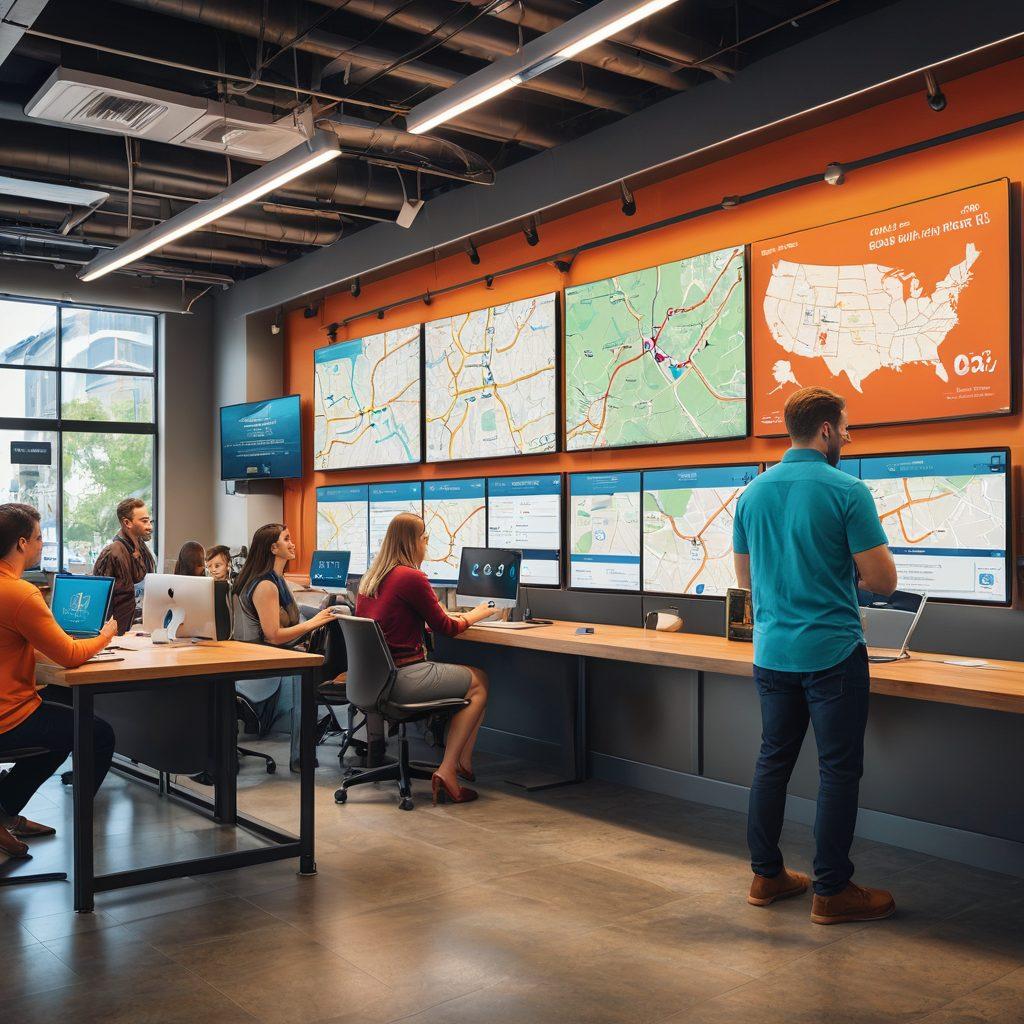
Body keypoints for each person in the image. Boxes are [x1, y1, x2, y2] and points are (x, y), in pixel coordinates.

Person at [733, 386, 898, 926]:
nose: (848, 437)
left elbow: (745, 582)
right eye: (846, 428)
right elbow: (883, 580)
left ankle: (766, 876)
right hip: (831, 653)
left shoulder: (752, 494)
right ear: (826, 429)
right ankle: (830, 891)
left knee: (772, 761)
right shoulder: (847, 491)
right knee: (837, 771)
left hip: (773, 653)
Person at [0, 503, 117, 859]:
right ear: (21, 543)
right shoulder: (20, 593)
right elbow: (68, 655)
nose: (40, 544)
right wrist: (107, 633)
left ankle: (6, 808)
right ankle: (79, 834)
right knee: (98, 734)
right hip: (8, 717)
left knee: (64, 706)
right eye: (38, 538)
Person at [355, 513, 495, 805]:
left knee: (472, 680)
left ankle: (460, 764)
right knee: (479, 681)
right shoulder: (411, 577)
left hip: (374, 681)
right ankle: (449, 769)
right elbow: (448, 628)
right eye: (424, 539)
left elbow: (399, 620)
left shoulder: (371, 577)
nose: (426, 544)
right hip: (403, 678)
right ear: (414, 541)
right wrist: (479, 613)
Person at [231, 524, 337, 772]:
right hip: (261, 662)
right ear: (273, 548)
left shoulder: (278, 580)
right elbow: (274, 636)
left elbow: (290, 617)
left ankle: (310, 738)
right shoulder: (265, 585)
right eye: (287, 539)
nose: (293, 544)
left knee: (310, 658)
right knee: (307, 672)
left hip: (267, 654)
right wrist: (314, 623)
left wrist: (318, 615)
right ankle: (301, 757)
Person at [93, 497, 156, 634]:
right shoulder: (112, 553)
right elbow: (100, 601)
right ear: (127, 523)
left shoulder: (143, 549)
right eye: (144, 521)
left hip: (141, 630)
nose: (150, 526)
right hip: (119, 635)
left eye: (149, 521)